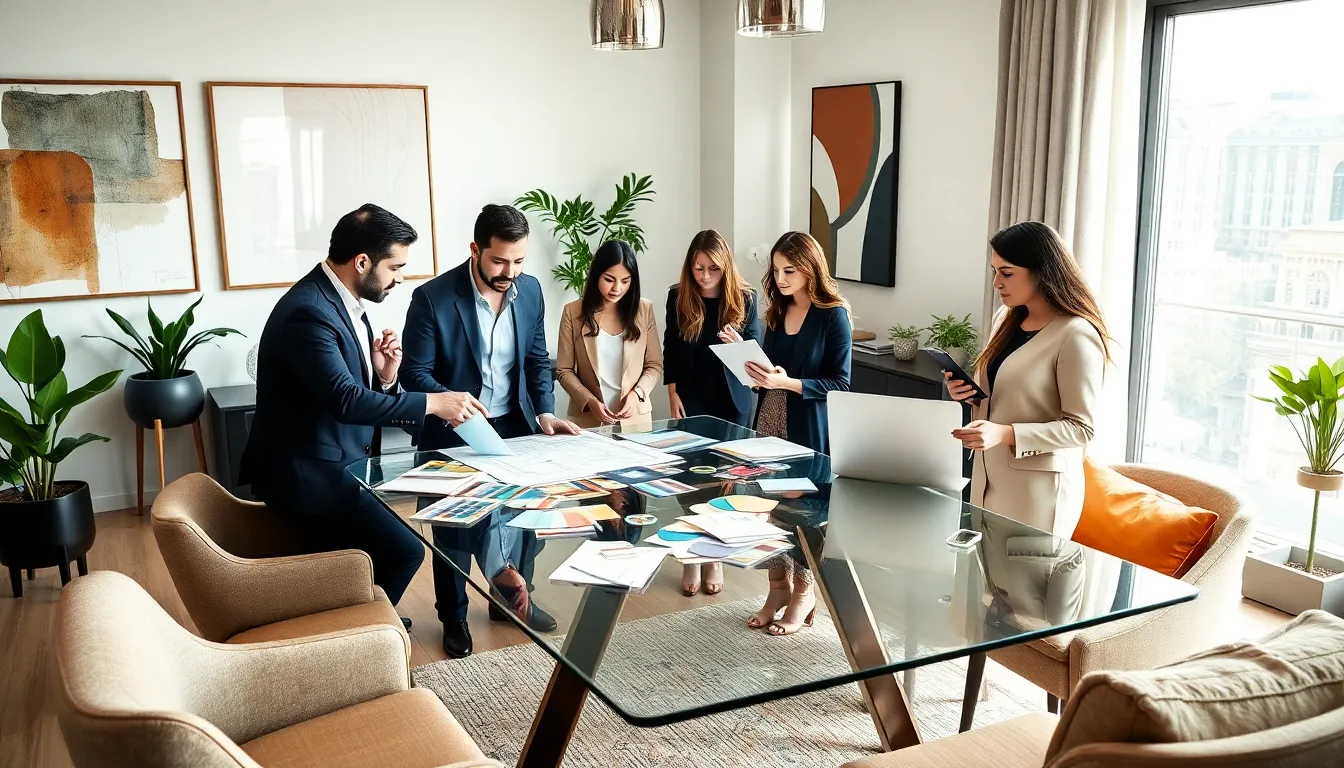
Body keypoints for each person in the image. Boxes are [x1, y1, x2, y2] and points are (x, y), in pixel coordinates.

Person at [241, 203, 466, 619]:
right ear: (363, 261)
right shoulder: (309, 311)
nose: (400, 277)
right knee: (405, 553)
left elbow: (340, 391)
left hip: (335, 463)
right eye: (395, 267)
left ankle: (366, 614)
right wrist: (435, 402)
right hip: (306, 476)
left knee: (381, 553)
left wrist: (384, 376)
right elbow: (345, 400)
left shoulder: (341, 300)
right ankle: (364, 629)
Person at [399, 203, 581, 658]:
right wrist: (450, 401)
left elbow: (538, 360)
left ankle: (511, 601)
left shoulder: (531, 291)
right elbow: (414, 375)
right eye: (499, 261)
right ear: (476, 249)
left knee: (524, 516)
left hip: (516, 424)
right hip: (452, 426)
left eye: (519, 261)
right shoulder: (433, 298)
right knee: (454, 526)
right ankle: (454, 618)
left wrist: (544, 412)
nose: (510, 272)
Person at [943, 221, 1109, 540]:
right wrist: (969, 395)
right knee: (984, 587)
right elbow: (1007, 397)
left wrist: (1004, 434)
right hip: (987, 482)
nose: (996, 283)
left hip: (1038, 497)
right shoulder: (1005, 320)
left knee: (1026, 589)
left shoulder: (1076, 335)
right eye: (994, 272)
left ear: (1042, 271)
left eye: (1007, 273)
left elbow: (1081, 428)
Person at [726, 231, 851, 636]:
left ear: (810, 269)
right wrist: (745, 357)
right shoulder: (776, 311)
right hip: (771, 419)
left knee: (802, 512)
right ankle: (776, 589)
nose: (780, 278)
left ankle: (803, 593)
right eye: (776, 270)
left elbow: (841, 384)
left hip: (811, 428)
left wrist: (789, 383)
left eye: (789, 270)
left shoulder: (834, 315)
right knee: (767, 507)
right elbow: (769, 374)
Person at [663, 229, 761, 596]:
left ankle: (714, 555)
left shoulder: (747, 298)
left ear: (726, 268)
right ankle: (691, 554)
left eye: (713, 269)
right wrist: (672, 391)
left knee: (725, 478)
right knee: (689, 476)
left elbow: (757, 361)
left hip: (732, 399)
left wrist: (744, 346)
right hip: (691, 395)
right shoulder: (678, 295)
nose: (704, 276)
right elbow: (671, 346)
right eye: (699, 268)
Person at [556, 240, 662, 430]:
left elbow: (654, 365)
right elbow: (564, 370)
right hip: (587, 420)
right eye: (609, 279)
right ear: (597, 275)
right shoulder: (573, 313)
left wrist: (637, 393)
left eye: (625, 281)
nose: (617, 288)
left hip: (635, 420)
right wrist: (589, 401)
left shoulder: (644, 309)